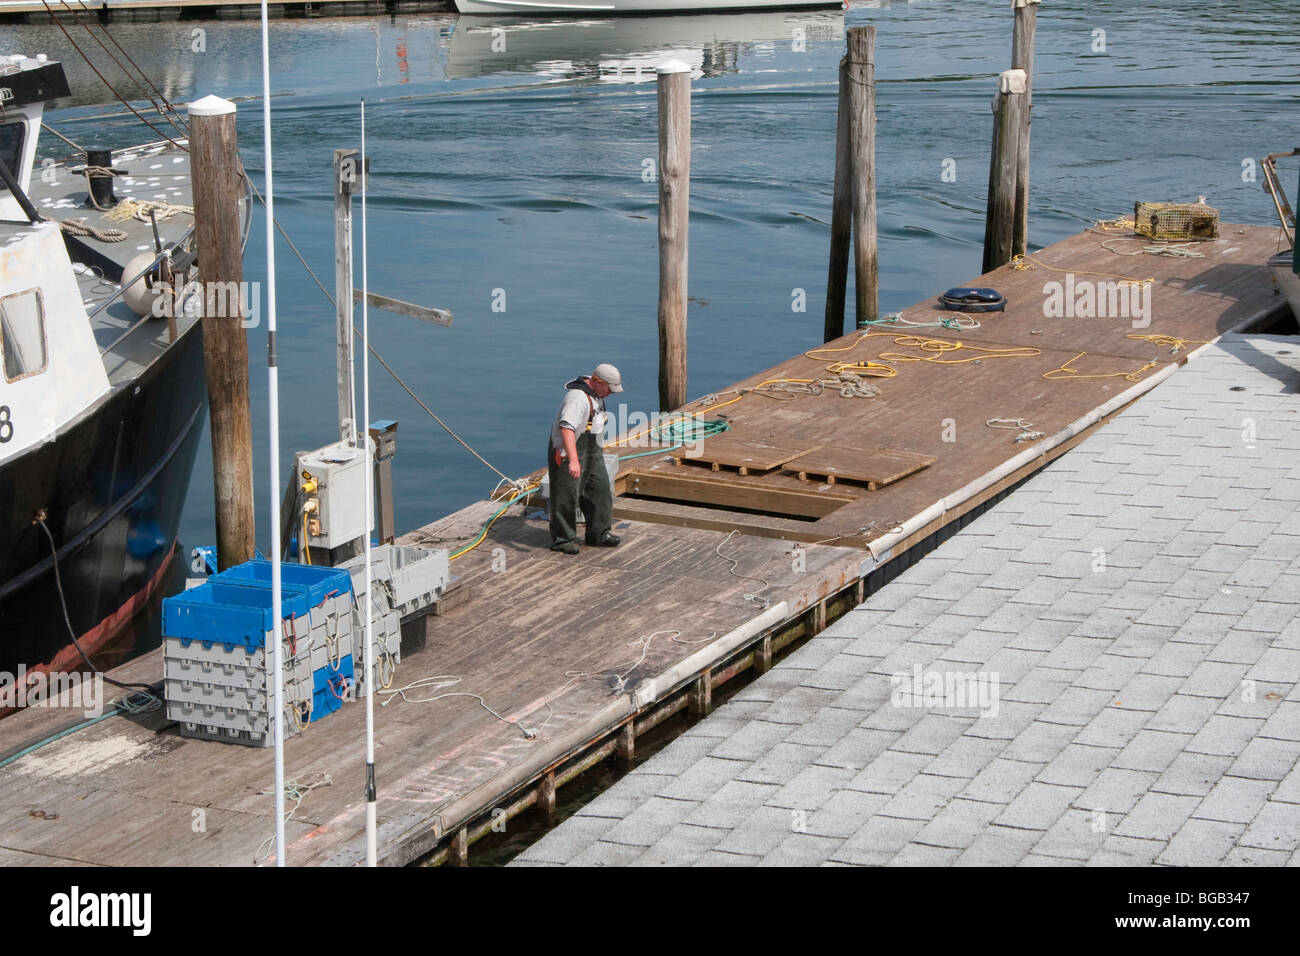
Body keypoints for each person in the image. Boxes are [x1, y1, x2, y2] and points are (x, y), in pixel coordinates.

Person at [547, 363, 623, 554]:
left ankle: (599, 534)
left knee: (600, 491)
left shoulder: (597, 394)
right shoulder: (577, 399)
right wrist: (573, 460)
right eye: (610, 389)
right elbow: (567, 428)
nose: (611, 393)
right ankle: (563, 539)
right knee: (566, 495)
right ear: (597, 381)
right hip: (568, 453)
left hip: (592, 452)